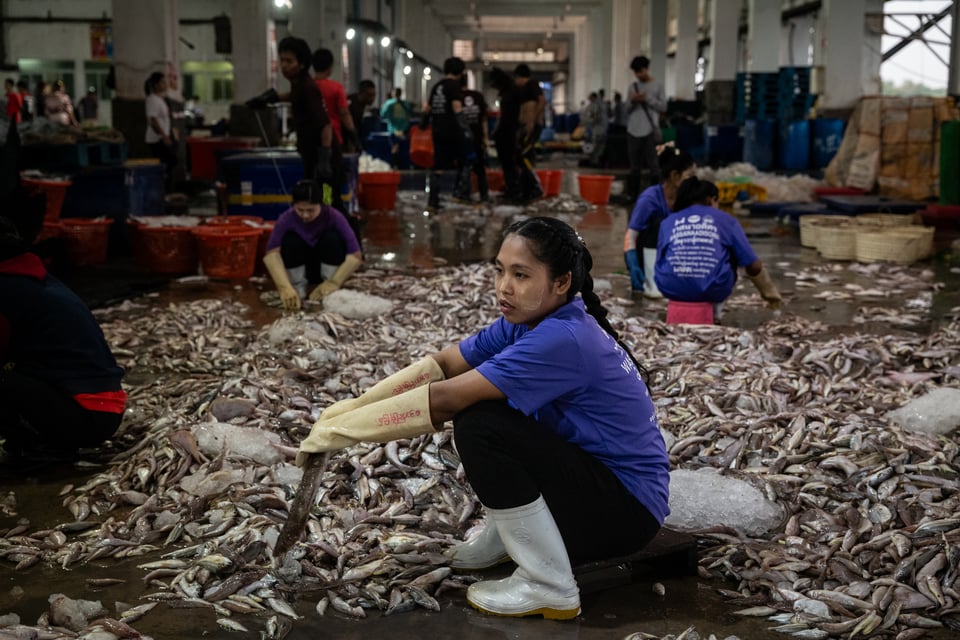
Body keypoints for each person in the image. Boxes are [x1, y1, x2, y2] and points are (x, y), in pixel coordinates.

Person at [295, 215, 669, 620]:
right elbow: (444, 364)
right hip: (597, 482)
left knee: (481, 423)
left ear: (560, 282)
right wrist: (346, 409)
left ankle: (550, 584)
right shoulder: (528, 319)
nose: (504, 287)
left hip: (625, 512)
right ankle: (512, 536)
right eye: (500, 270)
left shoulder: (563, 337)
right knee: (492, 408)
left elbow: (445, 400)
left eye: (521, 274)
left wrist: (342, 431)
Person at [0, 186, 127, 466]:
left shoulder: (8, 289)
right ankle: (40, 438)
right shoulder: (32, 277)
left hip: (85, 412)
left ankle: (48, 445)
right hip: (99, 408)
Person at [655, 176, 782, 320]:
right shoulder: (726, 220)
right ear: (711, 199)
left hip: (671, 288)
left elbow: (660, 259)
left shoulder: (668, 221)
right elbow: (753, 265)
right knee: (733, 255)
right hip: (711, 290)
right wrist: (769, 292)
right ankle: (715, 312)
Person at [247, 37, 339, 211]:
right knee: (314, 202)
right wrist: (269, 99)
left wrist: (325, 159)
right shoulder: (299, 85)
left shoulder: (308, 87)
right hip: (312, 156)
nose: (284, 65)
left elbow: (326, 125)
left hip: (325, 161)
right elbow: (293, 96)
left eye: (289, 61)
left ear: (302, 64)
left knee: (329, 202)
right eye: (282, 60)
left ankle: (343, 236)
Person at [262, 179, 362, 312]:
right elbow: (272, 253)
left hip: (324, 266)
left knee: (332, 238)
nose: (305, 215)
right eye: (300, 210)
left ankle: (327, 288)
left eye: (311, 210)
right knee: (291, 240)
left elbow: (355, 254)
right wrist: (284, 287)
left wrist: (334, 282)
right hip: (301, 268)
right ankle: (297, 289)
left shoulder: (334, 216)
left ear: (320, 204)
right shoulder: (286, 218)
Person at [623, 145, 695, 297]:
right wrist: (633, 264)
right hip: (649, 256)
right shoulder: (650, 199)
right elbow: (631, 235)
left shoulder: (689, 198)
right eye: (690, 176)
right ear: (675, 176)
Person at [421, 57, 471, 208]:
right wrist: (466, 129)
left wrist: (423, 123)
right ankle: (460, 194)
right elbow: (457, 107)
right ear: (460, 72)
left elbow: (428, 109)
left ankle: (433, 201)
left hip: (438, 131)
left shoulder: (437, 86)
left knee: (438, 166)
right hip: (453, 131)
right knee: (465, 161)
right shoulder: (454, 86)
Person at [626, 56, 667, 201]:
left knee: (654, 166)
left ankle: (655, 197)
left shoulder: (657, 86)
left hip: (650, 130)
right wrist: (633, 101)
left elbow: (663, 106)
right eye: (636, 72)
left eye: (640, 71)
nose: (638, 75)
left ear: (646, 69)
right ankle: (633, 196)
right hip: (633, 131)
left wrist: (647, 99)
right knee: (634, 167)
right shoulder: (633, 87)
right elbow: (626, 109)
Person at [313, 48, 360, 151]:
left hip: (310, 139)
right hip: (333, 139)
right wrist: (353, 133)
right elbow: (344, 113)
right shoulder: (336, 88)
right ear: (330, 67)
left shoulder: (307, 87)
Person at [488, 67, 523, 203]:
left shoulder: (511, 93)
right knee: (508, 163)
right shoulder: (511, 92)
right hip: (506, 132)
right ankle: (512, 189)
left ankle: (514, 191)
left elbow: (507, 117)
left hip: (508, 133)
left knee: (509, 163)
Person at [514, 64, 546, 201]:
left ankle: (536, 187)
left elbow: (542, 101)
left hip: (531, 127)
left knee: (524, 155)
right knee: (521, 156)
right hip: (525, 126)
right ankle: (527, 187)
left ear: (519, 76)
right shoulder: (524, 89)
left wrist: (532, 121)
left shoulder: (532, 85)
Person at [144, 72, 177, 192]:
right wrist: (163, 136)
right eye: (163, 82)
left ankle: (166, 191)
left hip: (164, 137)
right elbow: (153, 120)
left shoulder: (160, 100)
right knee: (166, 164)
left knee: (171, 163)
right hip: (157, 139)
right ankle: (161, 191)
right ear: (156, 84)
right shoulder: (152, 100)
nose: (165, 84)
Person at [459, 75, 489, 202]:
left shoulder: (456, 97)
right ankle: (484, 196)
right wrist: (485, 138)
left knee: (463, 168)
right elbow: (483, 119)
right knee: (480, 169)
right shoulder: (478, 96)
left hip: (462, 140)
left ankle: (464, 195)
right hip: (477, 138)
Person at [379, 88, 412, 169]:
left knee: (395, 147)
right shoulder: (402, 104)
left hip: (397, 129)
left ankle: (395, 165)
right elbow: (410, 112)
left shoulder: (390, 103)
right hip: (400, 129)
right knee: (398, 147)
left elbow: (382, 114)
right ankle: (397, 165)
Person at [346, 79, 376, 153]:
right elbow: (348, 129)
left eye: (374, 95)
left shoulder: (361, 104)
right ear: (362, 93)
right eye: (369, 95)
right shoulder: (352, 105)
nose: (372, 98)